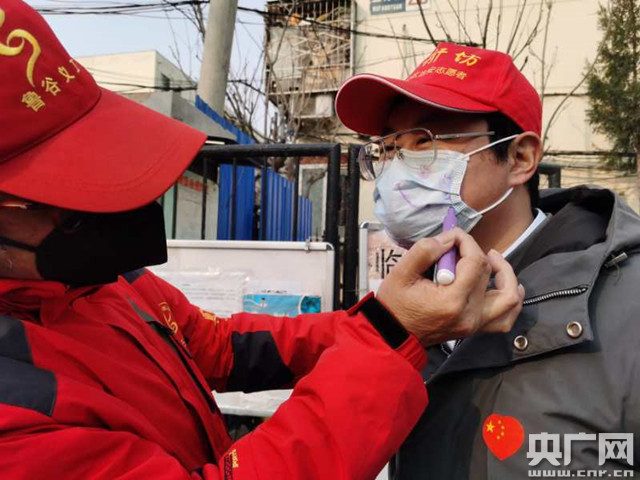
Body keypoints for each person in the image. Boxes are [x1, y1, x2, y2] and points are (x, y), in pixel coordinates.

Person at [0, 3, 525, 479]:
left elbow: (222, 347)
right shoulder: (14, 409)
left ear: (520, 158)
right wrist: (391, 339)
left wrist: (386, 322)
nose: (105, 204)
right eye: (62, 195)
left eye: (101, 166)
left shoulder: (98, 283)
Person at [335, 42, 640, 478]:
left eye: (425, 142)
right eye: (388, 149)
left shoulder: (627, 304)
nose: (397, 171)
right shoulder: (408, 303)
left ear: (520, 158)